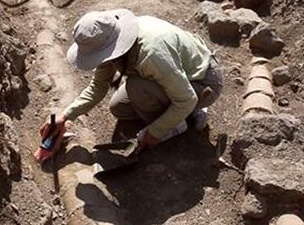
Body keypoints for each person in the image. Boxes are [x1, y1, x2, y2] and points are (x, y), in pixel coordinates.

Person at [44, 9, 223, 151]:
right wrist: (65, 116)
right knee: (119, 108)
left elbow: (187, 99)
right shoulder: (109, 43)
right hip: (175, 77)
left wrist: (154, 132)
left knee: (137, 87)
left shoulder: (151, 54)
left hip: (203, 82)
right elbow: (97, 88)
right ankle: (176, 113)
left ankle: (180, 122)